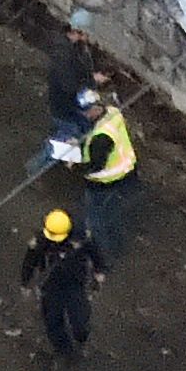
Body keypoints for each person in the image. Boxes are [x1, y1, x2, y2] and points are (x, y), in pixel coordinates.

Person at [75, 79, 142, 271]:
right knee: (112, 213)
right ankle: (117, 245)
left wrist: (74, 166)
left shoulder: (101, 138)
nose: (85, 114)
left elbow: (94, 166)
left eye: (87, 111)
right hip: (125, 175)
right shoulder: (112, 113)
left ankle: (106, 252)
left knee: (97, 220)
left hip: (104, 183)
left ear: (96, 108)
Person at [18, 208, 99, 365]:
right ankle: (64, 350)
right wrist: (25, 282)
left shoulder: (80, 237)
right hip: (51, 287)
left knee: (80, 319)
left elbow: (93, 251)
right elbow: (30, 261)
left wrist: (99, 270)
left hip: (74, 283)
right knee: (53, 320)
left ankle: (81, 339)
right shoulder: (41, 241)